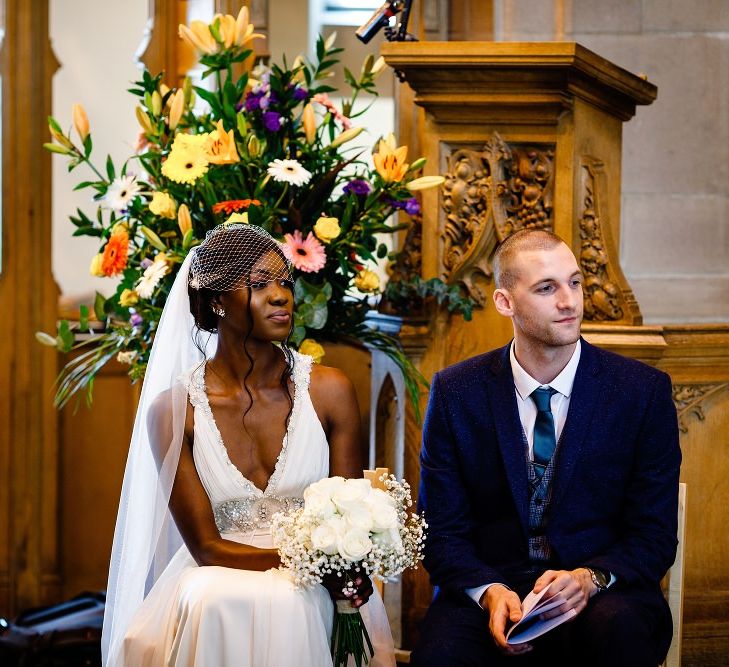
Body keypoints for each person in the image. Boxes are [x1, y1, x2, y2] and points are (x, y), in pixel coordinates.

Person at [101, 223, 395, 666]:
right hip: (223, 572)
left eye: (285, 282)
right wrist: (316, 566)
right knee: (213, 600)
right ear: (217, 300)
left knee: (299, 602)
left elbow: (348, 511)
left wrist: (341, 564)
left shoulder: (330, 390)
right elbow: (206, 547)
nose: (281, 295)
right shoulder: (174, 410)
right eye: (259, 284)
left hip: (323, 579)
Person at [411, 229, 681, 667]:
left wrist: (590, 578)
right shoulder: (456, 392)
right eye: (546, 288)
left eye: (574, 283)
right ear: (504, 302)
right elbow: (441, 531)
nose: (569, 302)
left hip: (603, 595)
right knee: (440, 656)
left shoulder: (640, 392)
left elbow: (653, 533)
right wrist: (489, 592)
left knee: (620, 633)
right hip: (492, 588)